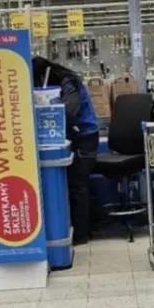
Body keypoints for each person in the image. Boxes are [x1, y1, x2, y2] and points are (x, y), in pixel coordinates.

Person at [32, 56, 99, 245]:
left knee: (78, 185)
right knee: (73, 184)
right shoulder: (57, 81)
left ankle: (81, 233)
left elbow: (68, 112)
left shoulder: (68, 82)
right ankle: (78, 227)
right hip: (73, 138)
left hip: (84, 137)